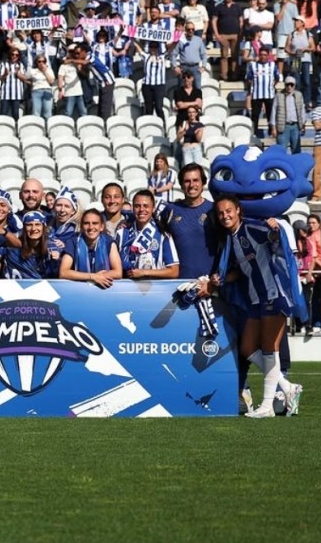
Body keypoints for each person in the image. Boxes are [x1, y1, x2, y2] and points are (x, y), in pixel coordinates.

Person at [200, 195, 304, 418]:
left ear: (238, 210)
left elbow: (274, 237)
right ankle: (287, 387)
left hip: (274, 293)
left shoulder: (252, 227)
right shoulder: (230, 239)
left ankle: (267, 406)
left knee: (269, 347)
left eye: (229, 211)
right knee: (247, 348)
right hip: (255, 298)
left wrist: (276, 229)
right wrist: (221, 279)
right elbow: (240, 271)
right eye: (220, 213)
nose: (225, 215)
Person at [159, 164, 219, 279]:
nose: (191, 185)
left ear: (203, 183)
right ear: (181, 185)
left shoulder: (214, 210)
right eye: (187, 181)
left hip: (208, 285)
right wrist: (125, 220)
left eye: (196, 180)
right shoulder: (171, 210)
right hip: (177, 284)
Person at [117, 190, 180, 279]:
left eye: (146, 206)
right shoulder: (121, 233)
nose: (141, 210)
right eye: (137, 206)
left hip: (155, 289)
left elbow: (174, 271)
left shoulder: (163, 235)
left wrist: (144, 272)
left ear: (153, 208)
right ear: (132, 208)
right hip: (127, 288)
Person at [59, 209, 123, 288]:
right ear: (81, 226)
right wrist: (93, 277)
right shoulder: (72, 242)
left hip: (104, 289)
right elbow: (63, 272)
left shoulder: (109, 243)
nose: (91, 227)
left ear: (101, 227)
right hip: (78, 289)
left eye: (95, 223)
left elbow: (118, 272)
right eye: (86, 223)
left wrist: (98, 277)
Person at [3, 211, 60, 279]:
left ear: (43, 227)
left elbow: (53, 275)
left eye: (37, 224)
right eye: (29, 225)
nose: (33, 229)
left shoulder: (54, 246)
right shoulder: (14, 250)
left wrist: (55, 262)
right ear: (24, 228)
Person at [246, 46, 280, 136]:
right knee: (255, 115)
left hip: (269, 94)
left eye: (265, 55)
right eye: (261, 55)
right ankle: (254, 133)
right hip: (256, 94)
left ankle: (271, 132)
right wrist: (254, 86)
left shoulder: (272, 65)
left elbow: (277, 78)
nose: (263, 56)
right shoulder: (253, 65)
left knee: (270, 115)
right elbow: (248, 78)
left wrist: (272, 85)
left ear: (268, 55)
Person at [270, 75, 306, 154]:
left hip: (295, 126)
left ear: (294, 85)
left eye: (291, 85)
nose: (289, 87)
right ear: (285, 85)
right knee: (281, 150)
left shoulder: (299, 95)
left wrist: (303, 124)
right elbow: (274, 111)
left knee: (296, 150)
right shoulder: (278, 95)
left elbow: (302, 109)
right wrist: (273, 127)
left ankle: (296, 166)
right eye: (287, 85)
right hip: (283, 126)